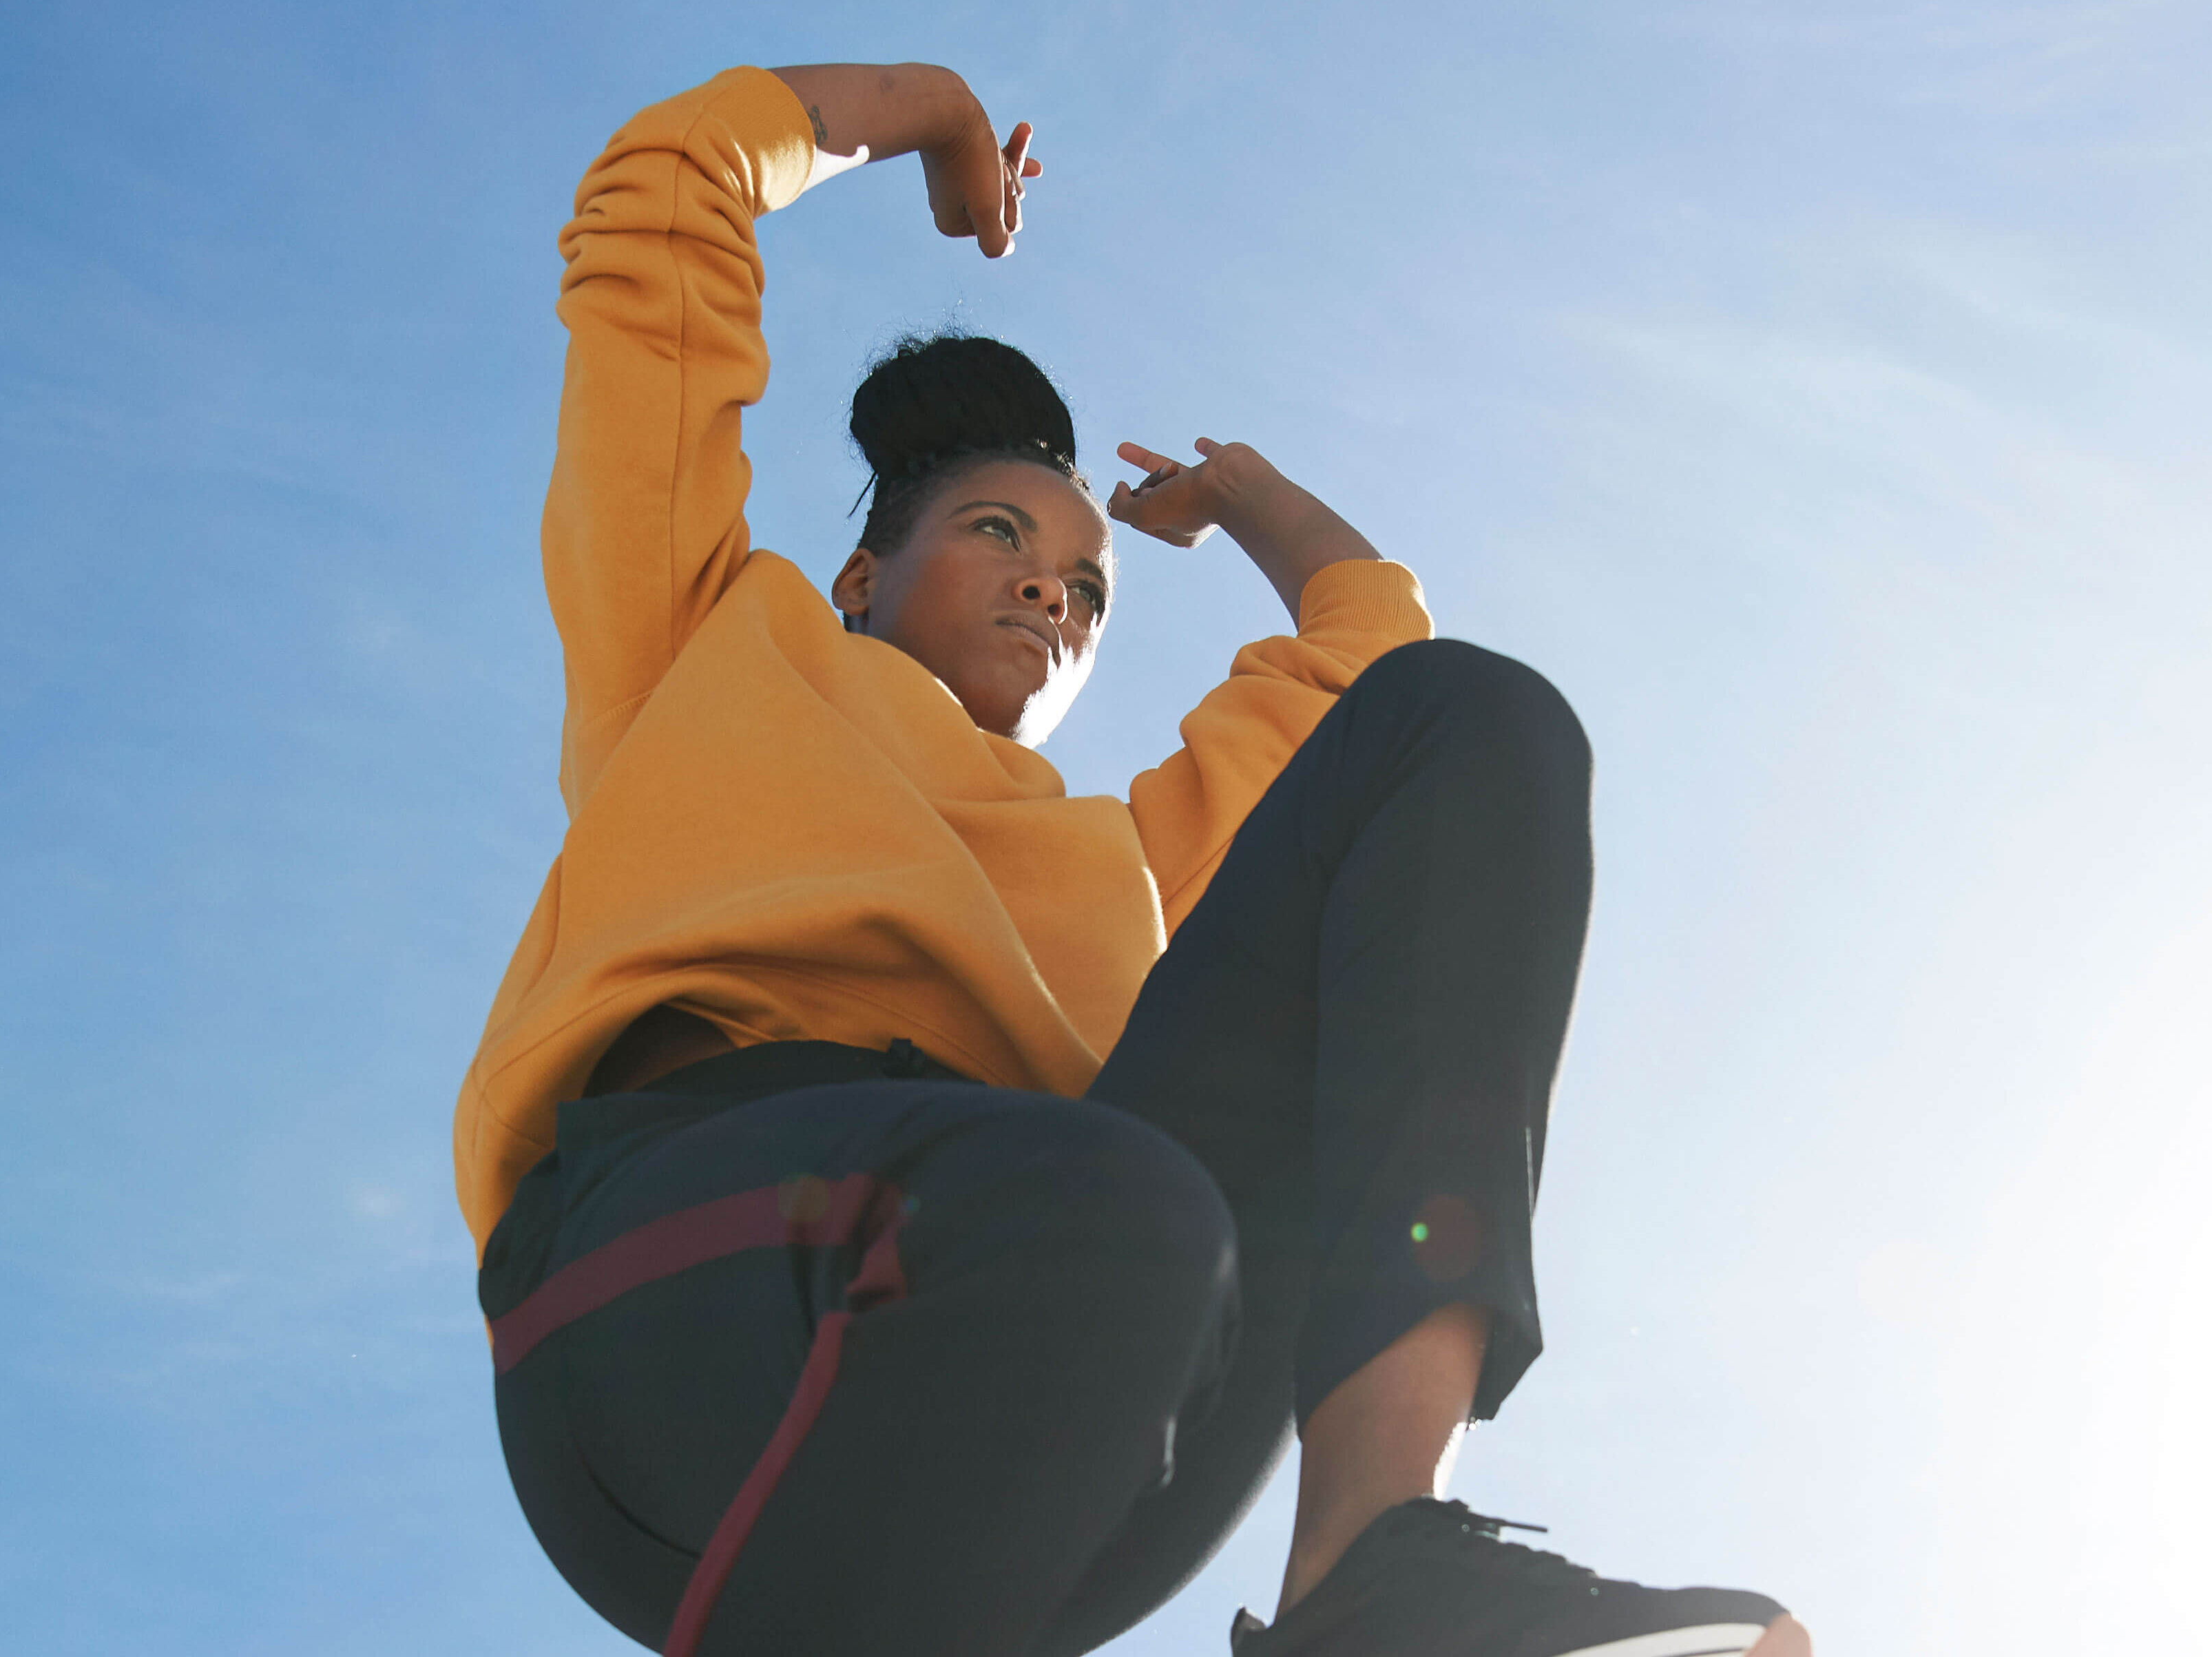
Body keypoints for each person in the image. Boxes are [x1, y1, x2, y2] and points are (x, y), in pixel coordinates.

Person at [460, 58, 1813, 1657]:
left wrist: (1246, 497)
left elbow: (1370, 655)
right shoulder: (702, 639)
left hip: (1068, 1367)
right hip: (668, 1313)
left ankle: (1375, 1576)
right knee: (1099, 1204)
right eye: (997, 536)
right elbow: (667, 187)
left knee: (1464, 722)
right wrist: (942, 112)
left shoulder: (1122, 862)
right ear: (855, 575)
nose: (1054, 592)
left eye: (1090, 587)